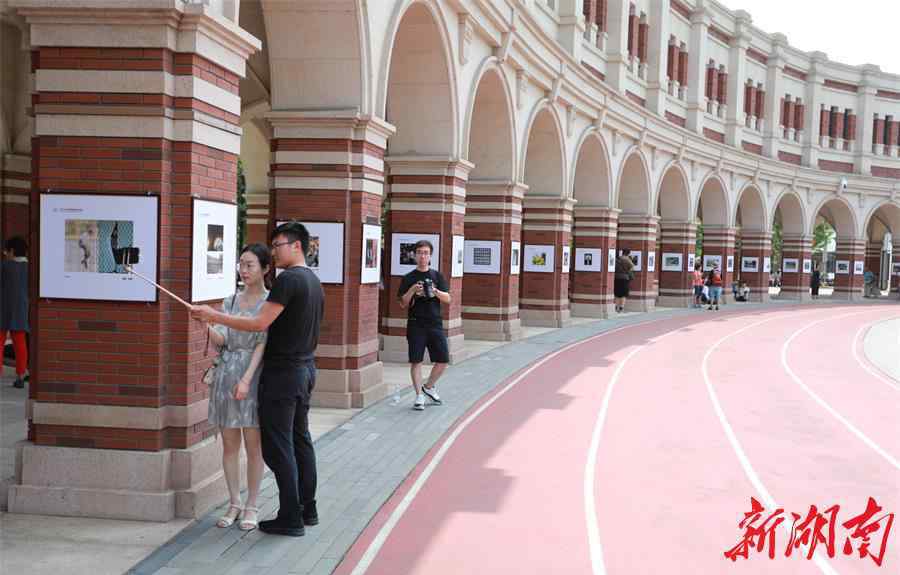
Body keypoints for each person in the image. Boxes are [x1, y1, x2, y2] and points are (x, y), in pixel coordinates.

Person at [192, 222, 324, 537]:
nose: (275, 249)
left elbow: (259, 324)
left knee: (279, 449)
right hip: (305, 370)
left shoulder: (288, 280)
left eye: (278, 244)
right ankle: (308, 509)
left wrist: (214, 316)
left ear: (296, 246)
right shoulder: (314, 281)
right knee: (300, 442)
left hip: (283, 374)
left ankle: (290, 516)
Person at [205, 244, 270, 531]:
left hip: (253, 379)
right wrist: (204, 323)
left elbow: (262, 343)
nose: (243, 271)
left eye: (250, 265)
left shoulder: (270, 303)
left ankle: (252, 504)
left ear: (265, 269)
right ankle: (234, 502)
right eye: (241, 264)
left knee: (254, 445)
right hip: (225, 378)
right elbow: (221, 339)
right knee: (230, 445)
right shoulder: (230, 301)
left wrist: (246, 379)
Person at [398, 240, 451, 411]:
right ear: (415, 255)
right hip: (416, 324)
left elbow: (448, 299)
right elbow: (403, 304)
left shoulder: (437, 276)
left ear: (430, 256)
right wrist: (413, 290)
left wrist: (434, 291)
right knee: (416, 361)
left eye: (426, 252)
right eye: (420, 252)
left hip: (435, 323)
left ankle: (428, 387)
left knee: (443, 360)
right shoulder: (408, 278)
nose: (423, 256)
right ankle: (418, 395)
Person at [1, 237, 29, 388]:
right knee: (20, 343)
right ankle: (20, 375)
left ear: (11, 251)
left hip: (3, 308)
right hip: (21, 309)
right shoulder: (29, 268)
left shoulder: (4, 266)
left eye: (6, 251)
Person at [614, 249, 635, 313]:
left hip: (617, 277)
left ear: (622, 252)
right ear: (628, 253)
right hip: (624, 278)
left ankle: (616, 306)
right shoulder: (627, 259)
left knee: (617, 293)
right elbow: (632, 267)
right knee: (624, 294)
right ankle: (621, 307)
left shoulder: (617, 259)